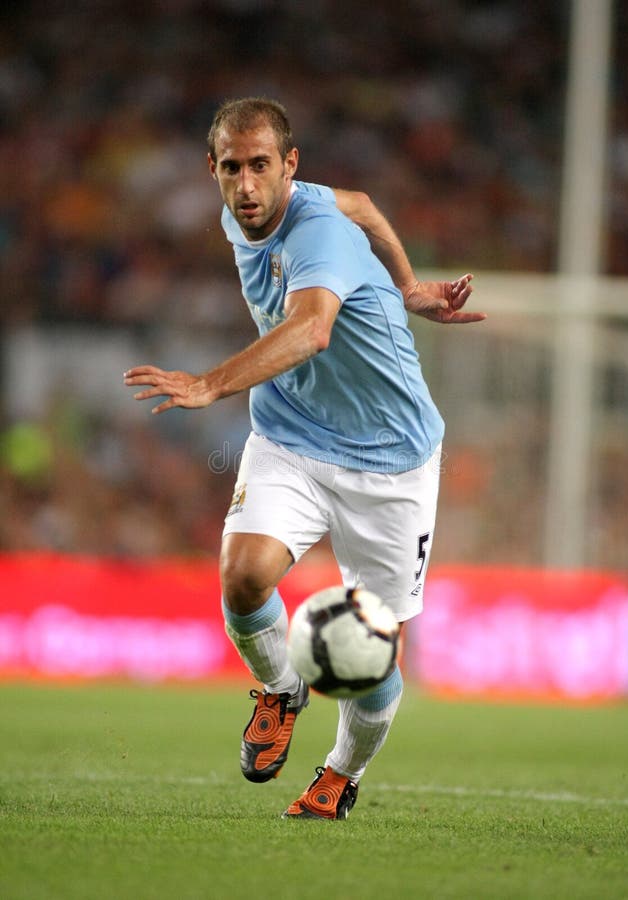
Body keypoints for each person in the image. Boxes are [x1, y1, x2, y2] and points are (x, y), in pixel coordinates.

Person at [124, 97, 485, 820]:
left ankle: (340, 772)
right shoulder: (250, 209)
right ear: (214, 169)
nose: (247, 185)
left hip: (392, 461)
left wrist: (210, 384)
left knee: (368, 652)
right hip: (293, 434)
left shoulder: (314, 230)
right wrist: (410, 283)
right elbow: (366, 202)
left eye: (262, 166)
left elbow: (313, 330)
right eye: (232, 168)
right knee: (243, 576)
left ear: (291, 167)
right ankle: (282, 691)